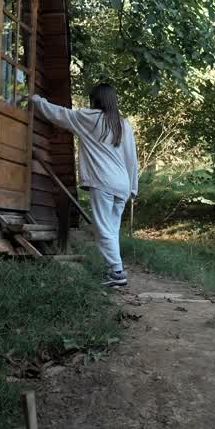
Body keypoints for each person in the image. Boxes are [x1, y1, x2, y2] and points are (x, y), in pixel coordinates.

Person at [30, 84, 138, 287]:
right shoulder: (124, 124)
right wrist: (133, 187)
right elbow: (132, 159)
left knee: (103, 230)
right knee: (111, 230)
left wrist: (37, 101)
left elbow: (60, 115)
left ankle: (117, 272)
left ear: (96, 100)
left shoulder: (91, 118)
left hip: (103, 181)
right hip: (122, 183)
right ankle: (112, 271)